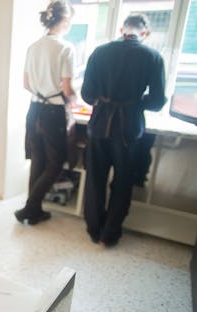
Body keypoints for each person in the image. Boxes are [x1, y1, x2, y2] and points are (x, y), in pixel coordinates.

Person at [81, 14, 166, 246]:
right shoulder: (153, 57)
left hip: (99, 124)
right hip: (129, 127)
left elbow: (87, 94)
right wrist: (137, 102)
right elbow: (158, 101)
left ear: (121, 29)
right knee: (123, 181)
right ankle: (110, 233)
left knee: (95, 178)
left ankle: (94, 229)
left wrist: (105, 99)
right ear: (144, 32)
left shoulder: (99, 52)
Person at [15, 0, 76, 225]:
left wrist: (42, 93)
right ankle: (30, 208)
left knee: (38, 160)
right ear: (66, 20)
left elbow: (26, 84)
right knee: (56, 163)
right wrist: (75, 99)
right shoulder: (66, 48)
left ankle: (34, 210)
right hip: (53, 112)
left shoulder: (34, 46)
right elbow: (67, 89)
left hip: (35, 108)